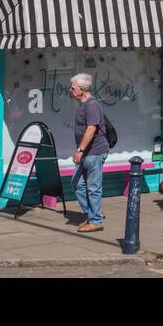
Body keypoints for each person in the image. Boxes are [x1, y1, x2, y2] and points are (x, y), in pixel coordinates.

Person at [69, 73, 109, 233]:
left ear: (83, 89)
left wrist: (80, 150)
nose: (71, 90)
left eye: (73, 88)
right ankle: (93, 213)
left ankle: (96, 220)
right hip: (87, 153)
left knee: (93, 187)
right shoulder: (83, 104)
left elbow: (92, 128)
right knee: (77, 184)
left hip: (94, 151)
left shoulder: (92, 105)